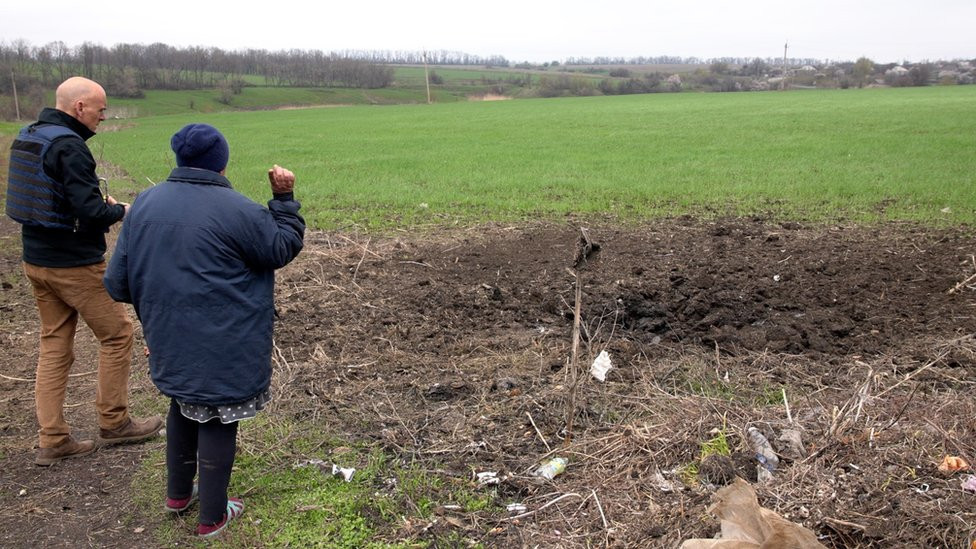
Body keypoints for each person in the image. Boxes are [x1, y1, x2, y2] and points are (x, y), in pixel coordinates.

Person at [103, 123, 305, 537]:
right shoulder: (237, 209)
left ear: (178, 158)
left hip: (167, 336)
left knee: (181, 402)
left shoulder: (144, 203)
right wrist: (284, 200)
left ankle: (178, 495)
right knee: (218, 414)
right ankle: (212, 517)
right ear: (222, 162)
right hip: (225, 339)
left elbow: (117, 283)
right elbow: (282, 247)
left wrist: (159, 311)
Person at [5, 76, 163, 467]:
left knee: (54, 344)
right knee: (118, 334)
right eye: (100, 109)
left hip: (36, 261)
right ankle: (115, 423)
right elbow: (91, 213)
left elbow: (57, 194)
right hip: (73, 265)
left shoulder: (30, 134)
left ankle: (53, 438)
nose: (103, 117)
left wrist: (94, 198)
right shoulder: (70, 146)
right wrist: (122, 211)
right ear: (79, 108)